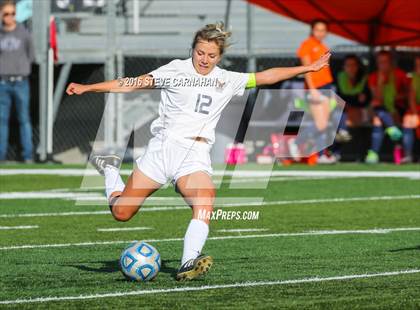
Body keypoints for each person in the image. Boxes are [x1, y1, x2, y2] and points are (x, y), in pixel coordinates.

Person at [66, 22, 330, 281]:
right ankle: (111, 169)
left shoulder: (226, 79)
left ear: (220, 56)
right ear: (192, 49)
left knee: (205, 200)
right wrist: (89, 87)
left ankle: (187, 263)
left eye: (211, 55)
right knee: (122, 213)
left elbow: (267, 76)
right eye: (200, 52)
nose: (204, 59)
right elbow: (132, 83)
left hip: (195, 155)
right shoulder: (175, 70)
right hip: (163, 150)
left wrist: (308, 67)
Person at [289, 19, 347, 164]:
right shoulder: (307, 45)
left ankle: (321, 155)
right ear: (312, 30)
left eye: (323, 30)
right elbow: (307, 68)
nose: (320, 33)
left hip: (327, 86)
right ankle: (295, 142)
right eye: (317, 30)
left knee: (326, 122)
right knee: (321, 124)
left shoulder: (323, 46)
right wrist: (312, 89)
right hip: (316, 88)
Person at [0, 0, 34, 163]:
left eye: (13, 14)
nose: (10, 17)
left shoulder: (23, 32)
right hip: (3, 82)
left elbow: (31, 54)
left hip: (21, 81)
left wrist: (22, 69)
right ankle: (1, 156)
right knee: (2, 121)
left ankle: (28, 156)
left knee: (24, 119)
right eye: (6, 14)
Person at [365, 51, 410, 164]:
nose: (382, 64)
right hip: (380, 108)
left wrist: (397, 96)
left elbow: (408, 93)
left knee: (378, 121)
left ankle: (373, 153)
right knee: (377, 111)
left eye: (385, 62)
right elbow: (377, 98)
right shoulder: (373, 77)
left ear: (390, 63)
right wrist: (380, 82)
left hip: (397, 107)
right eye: (380, 62)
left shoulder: (400, 74)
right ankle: (391, 128)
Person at [404, 55, 420, 162]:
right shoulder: (412, 79)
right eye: (417, 65)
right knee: (408, 121)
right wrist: (416, 114)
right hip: (416, 109)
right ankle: (408, 155)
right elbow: (411, 99)